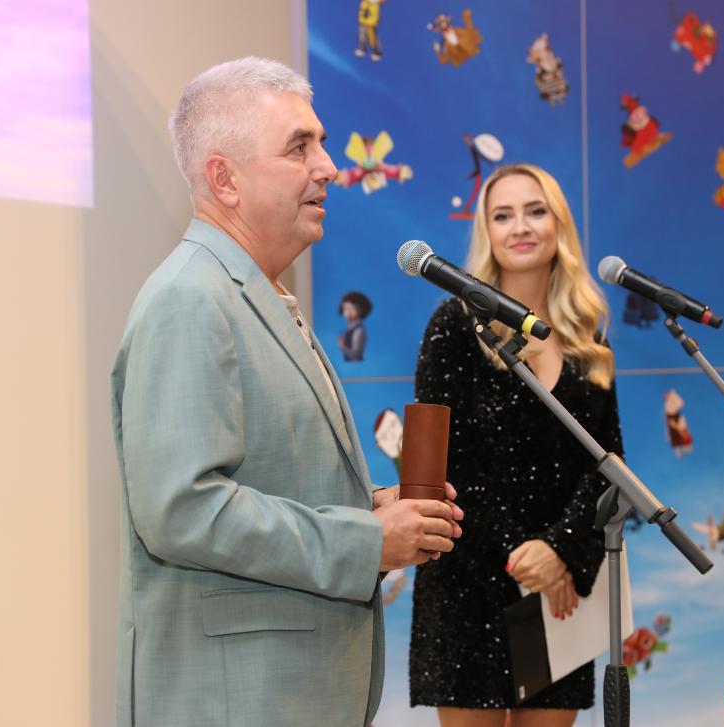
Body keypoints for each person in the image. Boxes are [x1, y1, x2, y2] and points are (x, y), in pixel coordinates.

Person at [110, 57, 462, 727]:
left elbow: (266, 480)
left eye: (321, 144)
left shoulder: (261, 295)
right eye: (299, 148)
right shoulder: (191, 298)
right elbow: (182, 510)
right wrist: (365, 541)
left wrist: (374, 507)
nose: (328, 166)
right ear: (225, 179)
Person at [408, 164, 623, 727]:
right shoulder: (453, 326)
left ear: (559, 225)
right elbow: (447, 465)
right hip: (469, 582)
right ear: (487, 233)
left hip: (559, 590)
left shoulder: (588, 337)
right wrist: (522, 555)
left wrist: (560, 552)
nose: (520, 226)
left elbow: (609, 464)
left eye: (535, 210)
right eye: (502, 215)